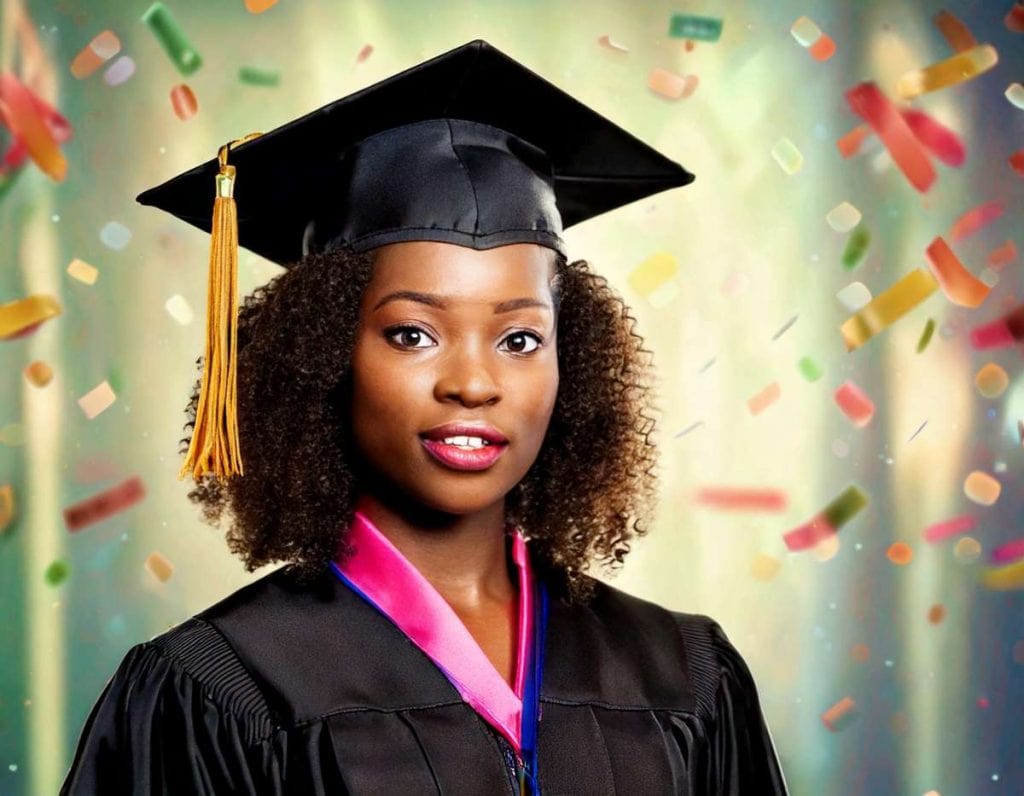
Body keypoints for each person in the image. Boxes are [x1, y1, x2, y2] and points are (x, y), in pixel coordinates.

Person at [60, 40, 788, 795]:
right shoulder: (221, 688)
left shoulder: (683, 674)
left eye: (520, 338)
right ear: (324, 352)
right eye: (412, 334)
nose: (473, 383)